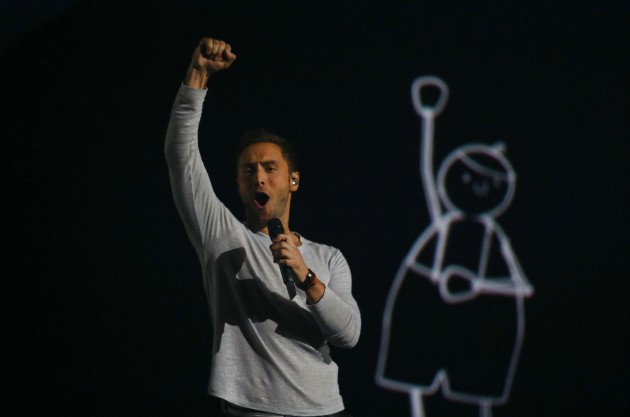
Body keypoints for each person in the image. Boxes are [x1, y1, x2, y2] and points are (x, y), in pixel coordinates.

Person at [164, 37, 361, 417]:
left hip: (324, 408)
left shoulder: (328, 257)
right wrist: (198, 75)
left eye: (270, 169)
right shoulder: (222, 236)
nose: (259, 178)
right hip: (253, 409)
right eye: (248, 171)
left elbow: (348, 335)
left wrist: (305, 275)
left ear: (293, 180)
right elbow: (180, 157)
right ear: (239, 184)